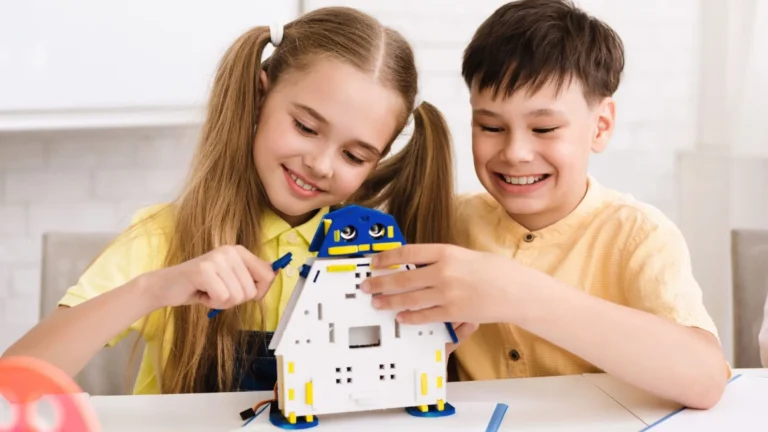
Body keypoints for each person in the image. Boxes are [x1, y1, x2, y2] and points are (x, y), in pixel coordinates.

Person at [1, 6, 475, 395]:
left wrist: (429, 348)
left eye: (354, 154)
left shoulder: (376, 255)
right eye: (306, 128)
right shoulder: (164, 238)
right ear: (258, 96)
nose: (321, 164)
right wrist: (154, 289)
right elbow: (13, 382)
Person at [361, 0, 728, 409]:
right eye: (491, 126)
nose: (515, 152)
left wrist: (519, 293)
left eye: (544, 128)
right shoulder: (447, 220)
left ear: (601, 126)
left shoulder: (638, 236)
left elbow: (706, 379)